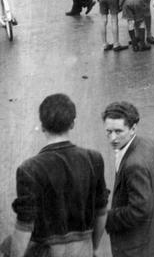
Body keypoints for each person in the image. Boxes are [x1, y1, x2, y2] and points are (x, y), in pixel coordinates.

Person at [1, 94, 109, 257]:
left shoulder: (29, 169)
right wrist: (92, 248)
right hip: (83, 250)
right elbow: (101, 212)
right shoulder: (94, 159)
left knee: (6, 246)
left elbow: (25, 226)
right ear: (72, 124)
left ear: (43, 126)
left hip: (47, 252)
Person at [102, 101, 154, 257]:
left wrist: (105, 218)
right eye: (109, 132)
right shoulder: (146, 144)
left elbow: (139, 210)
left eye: (118, 131)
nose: (113, 138)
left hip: (142, 250)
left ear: (133, 128)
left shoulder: (133, 165)